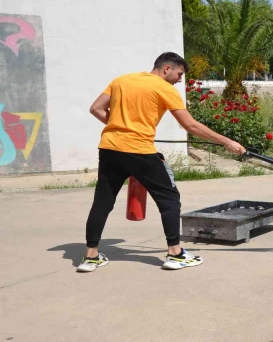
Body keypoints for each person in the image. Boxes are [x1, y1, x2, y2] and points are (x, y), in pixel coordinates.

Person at [77, 52, 246, 273]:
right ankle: (175, 253)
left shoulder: (121, 80)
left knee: (103, 201)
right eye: (179, 74)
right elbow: (191, 126)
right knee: (169, 198)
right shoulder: (165, 89)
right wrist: (226, 141)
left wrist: (121, 127)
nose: (180, 79)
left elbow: (96, 109)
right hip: (139, 150)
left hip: (109, 148)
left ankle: (91, 256)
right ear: (167, 68)